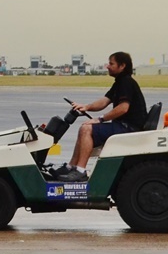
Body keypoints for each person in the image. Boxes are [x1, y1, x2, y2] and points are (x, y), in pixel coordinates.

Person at [54, 52, 147, 181]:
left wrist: (100, 119)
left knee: (87, 129)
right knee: (85, 127)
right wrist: (86, 107)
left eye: (111, 63)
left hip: (128, 127)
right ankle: (71, 167)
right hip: (123, 125)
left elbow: (123, 108)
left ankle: (80, 171)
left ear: (122, 66)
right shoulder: (120, 82)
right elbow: (104, 101)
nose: (107, 66)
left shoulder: (126, 83)